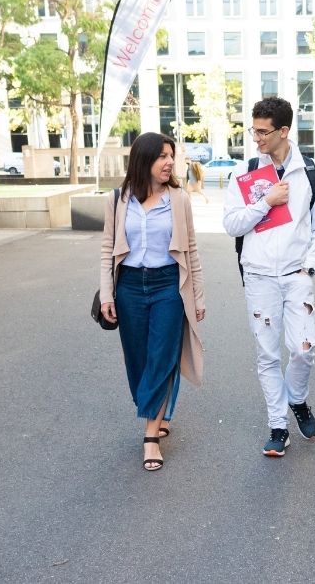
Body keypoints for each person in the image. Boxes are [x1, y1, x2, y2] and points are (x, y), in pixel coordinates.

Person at [223, 97, 315, 457]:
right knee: (267, 354)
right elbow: (232, 224)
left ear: (283, 131)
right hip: (258, 276)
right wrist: (265, 202)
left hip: (296, 274)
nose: (256, 138)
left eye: (263, 132)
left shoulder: (312, 171)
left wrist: (310, 265)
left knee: (304, 348)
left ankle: (297, 398)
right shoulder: (245, 172)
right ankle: (278, 426)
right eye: (253, 130)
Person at [100, 132, 206, 471]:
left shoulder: (179, 199)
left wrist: (197, 296)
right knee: (138, 360)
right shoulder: (118, 199)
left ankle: (150, 436)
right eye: (162, 156)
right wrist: (107, 293)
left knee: (162, 356)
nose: (170, 162)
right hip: (129, 287)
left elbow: (191, 250)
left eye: (171, 155)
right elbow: (107, 250)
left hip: (168, 286)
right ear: (143, 159)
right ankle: (156, 409)